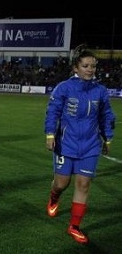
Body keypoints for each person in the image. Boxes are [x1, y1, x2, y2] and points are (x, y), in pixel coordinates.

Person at [44, 46, 115, 245]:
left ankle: (74, 226)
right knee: (61, 183)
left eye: (93, 66)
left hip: (90, 145)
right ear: (76, 67)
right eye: (86, 66)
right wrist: (50, 134)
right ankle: (54, 197)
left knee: (83, 184)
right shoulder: (64, 88)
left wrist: (107, 138)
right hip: (66, 144)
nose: (90, 69)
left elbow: (106, 116)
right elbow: (53, 112)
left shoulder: (100, 91)